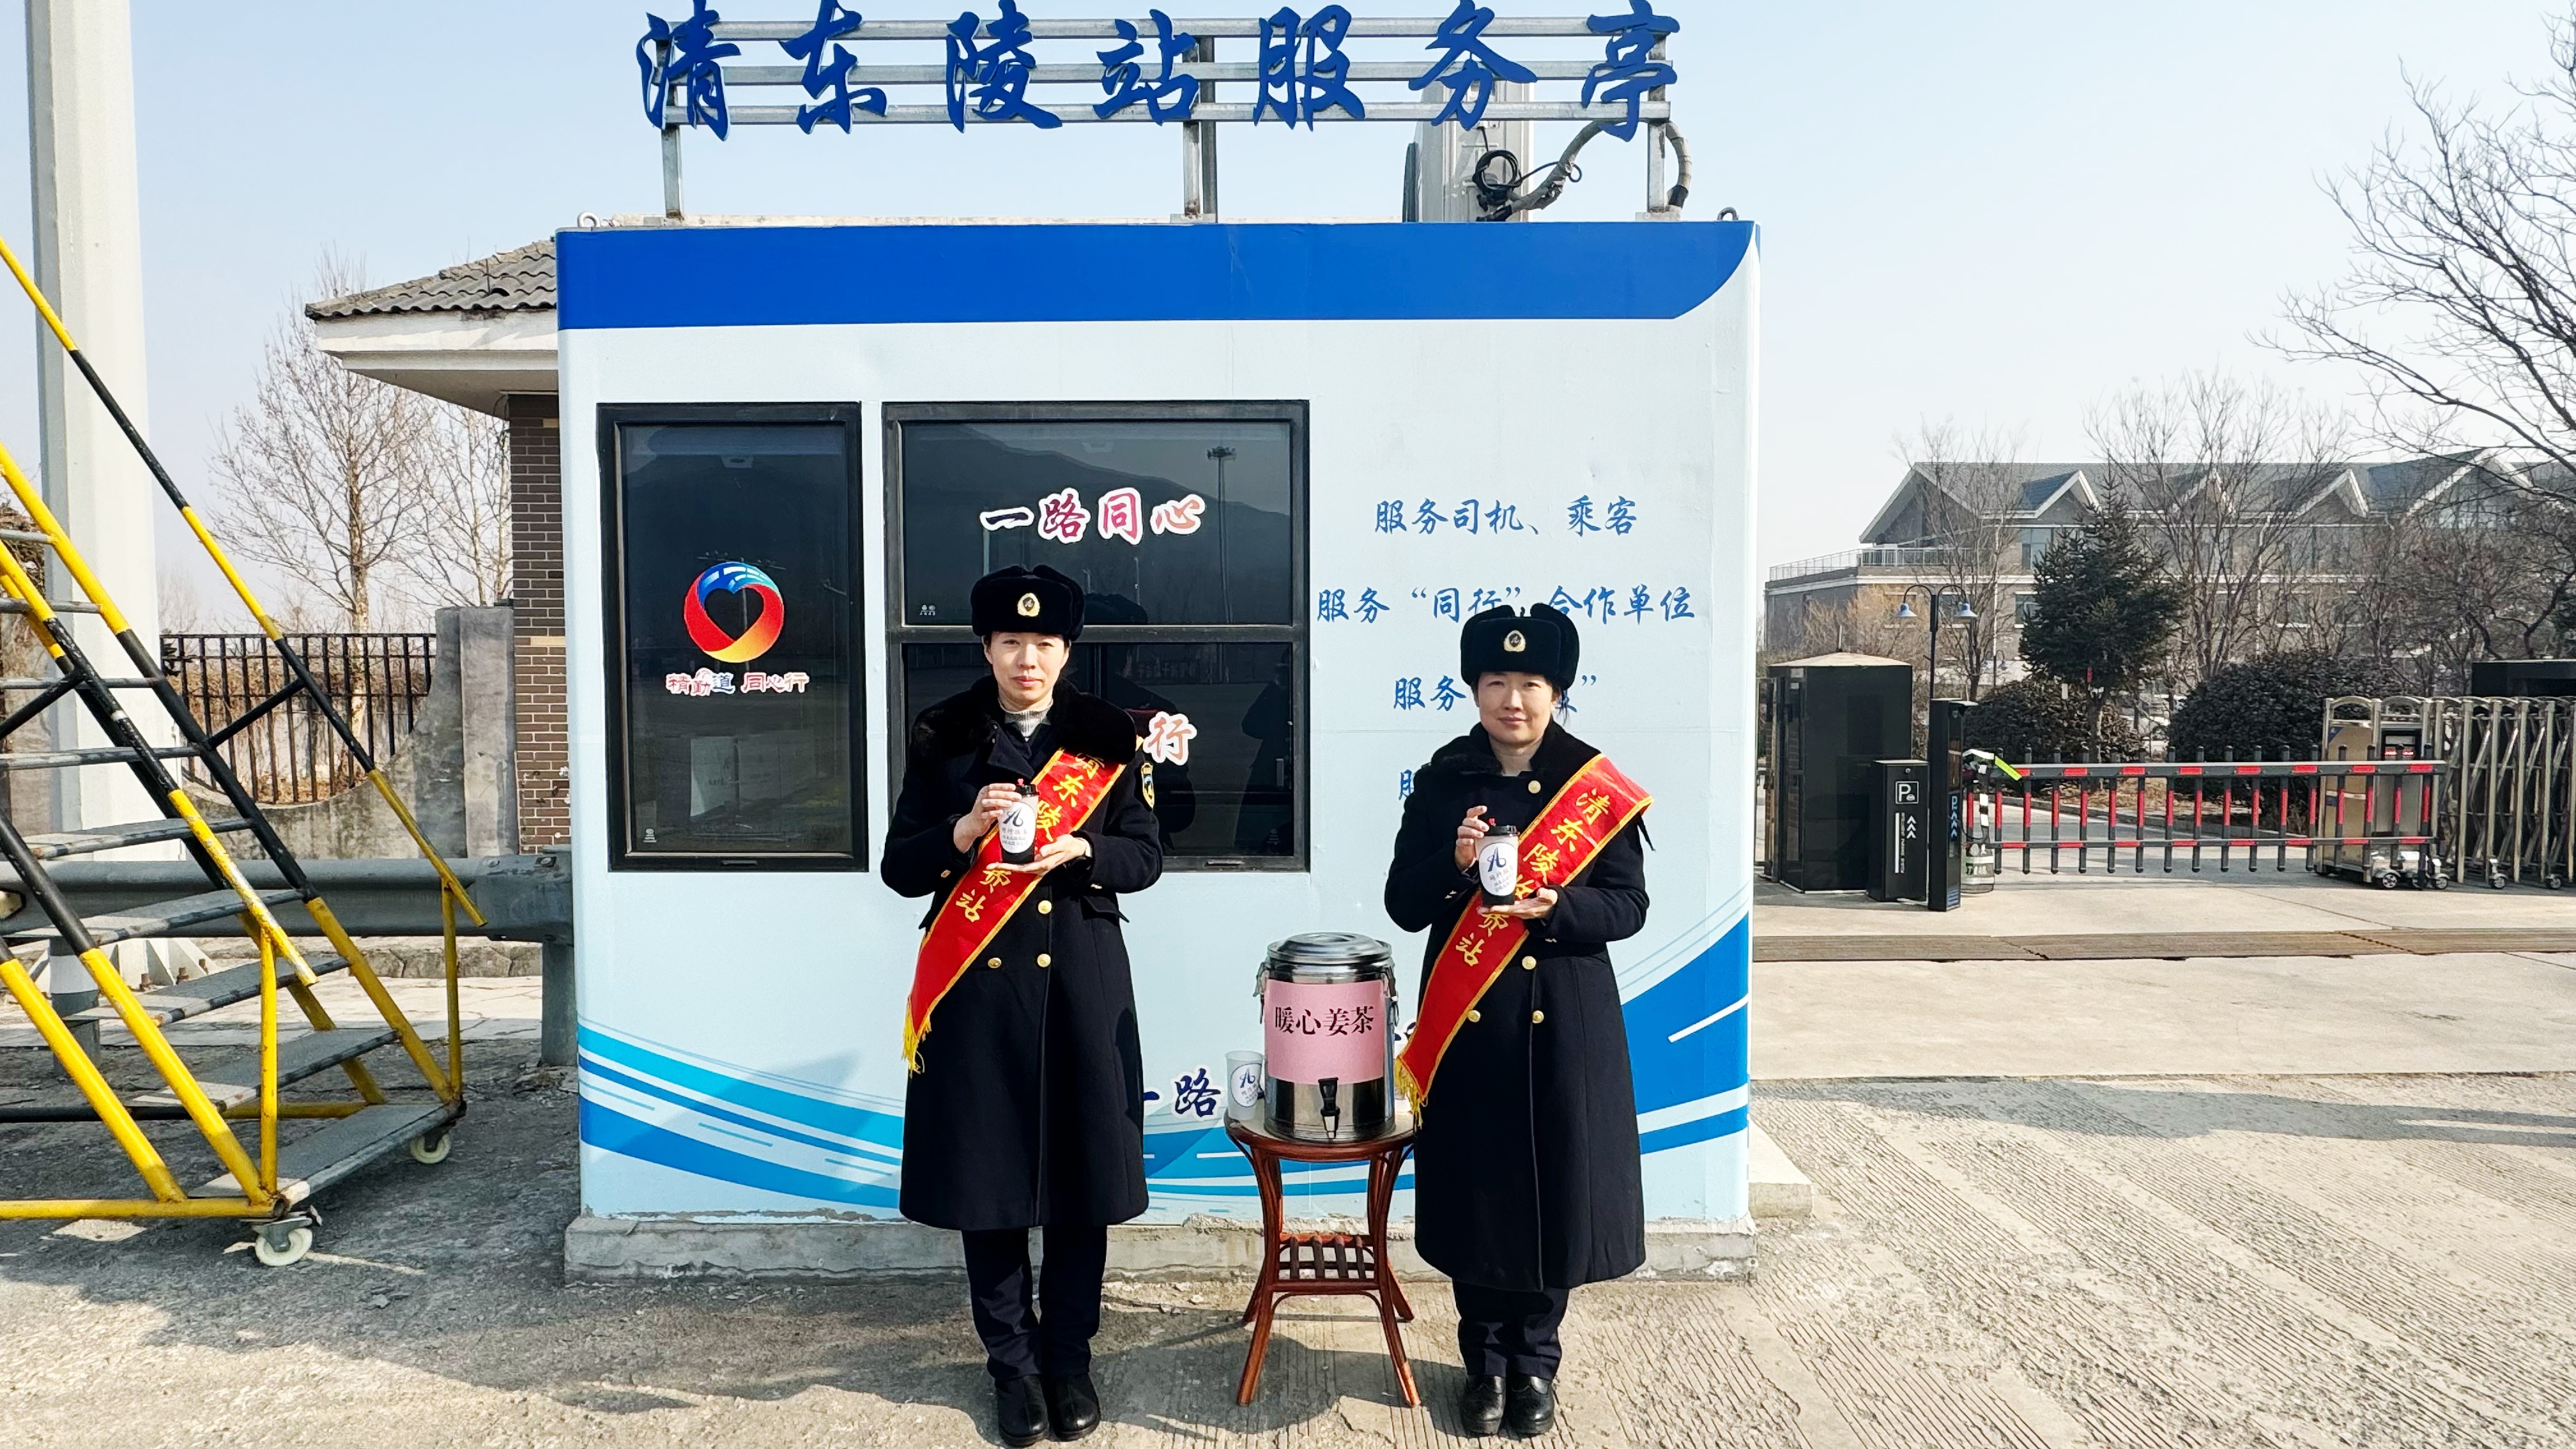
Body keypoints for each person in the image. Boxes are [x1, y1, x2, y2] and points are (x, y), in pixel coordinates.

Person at [882, 564, 1163, 1447]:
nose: (1027, 660)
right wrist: (962, 831)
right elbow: (899, 867)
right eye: (1011, 642)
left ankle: (1068, 1360)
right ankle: (1010, 1367)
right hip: (978, 991)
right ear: (986, 647)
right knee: (990, 1182)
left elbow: (1146, 855)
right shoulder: (945, 733)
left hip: (1080, 978)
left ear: (1067, 650)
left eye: (1044, 643)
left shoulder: (1108, 736)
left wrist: (1085, 849)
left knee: (1081, 1181)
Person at [1381, 603, 1652, 1440]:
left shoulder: (1593, 785)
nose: (1513, 699)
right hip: (1470, 1027)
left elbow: (1629, 904)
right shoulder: (1443, 780)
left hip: (1563, 1019)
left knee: (1552, 1188)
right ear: (1473, 689)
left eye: (1531, 683)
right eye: (1496, 681)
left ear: (1557, 691)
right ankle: (1483, 1362)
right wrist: (1455, 861)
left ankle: (1534, 1364)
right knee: (1478, 1189)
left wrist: (1558, 906)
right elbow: (1403, 903)